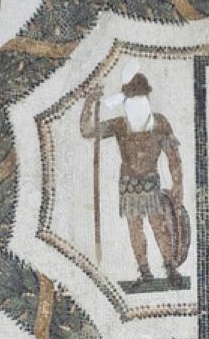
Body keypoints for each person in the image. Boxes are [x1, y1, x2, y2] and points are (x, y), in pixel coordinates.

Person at [79, 72, 187, 288]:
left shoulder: (159, 123)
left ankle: (170, 266)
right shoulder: (120, 125)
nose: (136, 103)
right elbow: (88, 131)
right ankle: (145, 271)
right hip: (129, 186)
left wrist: (177, 185)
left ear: (146, 99)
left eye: (140, 98)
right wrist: (89, 102)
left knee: (159, 225)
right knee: (135, 228)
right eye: (132, 99)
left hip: (151, 184)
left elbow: (173, 157)